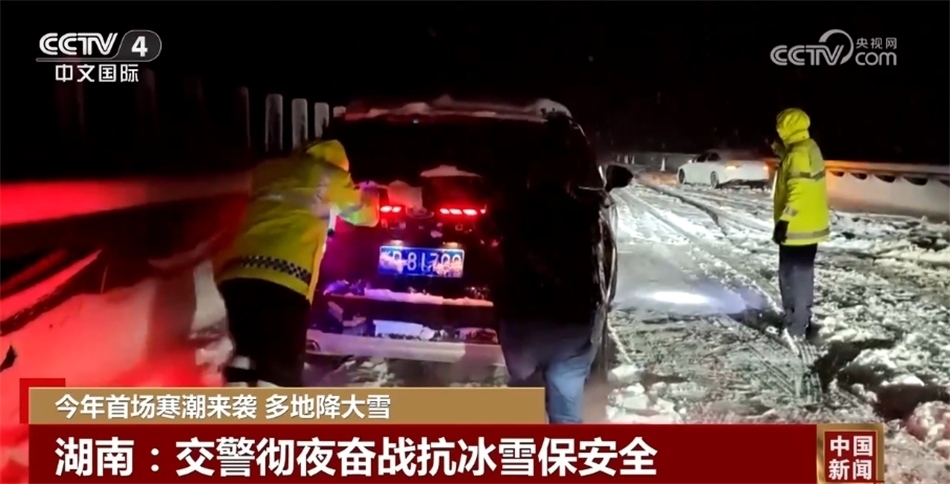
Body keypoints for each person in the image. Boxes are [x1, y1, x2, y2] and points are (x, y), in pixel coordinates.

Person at [214, 138, 379, 387]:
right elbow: (366, 215)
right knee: (280, 369)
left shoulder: (268, 169)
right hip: (285, 281)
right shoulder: (331, 176)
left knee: (244, 352)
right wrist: (373, 198)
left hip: (235, 275)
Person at [488, 115, 610, 423]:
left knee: (524, 393)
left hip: (522, 324)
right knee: (566, 406)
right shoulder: (585, 214)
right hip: (571, 325)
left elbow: (494, 245)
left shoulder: (511, 213)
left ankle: (523, 436)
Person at [770, 108, 830, 344]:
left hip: (796, 228)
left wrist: (785, 219)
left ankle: (795, 326)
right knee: (801, 276)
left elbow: (799, 189)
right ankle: (800, 319)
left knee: (792, 277)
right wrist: (780, 151)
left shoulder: (796, 154)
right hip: (809, 225)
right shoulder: (809, 147)